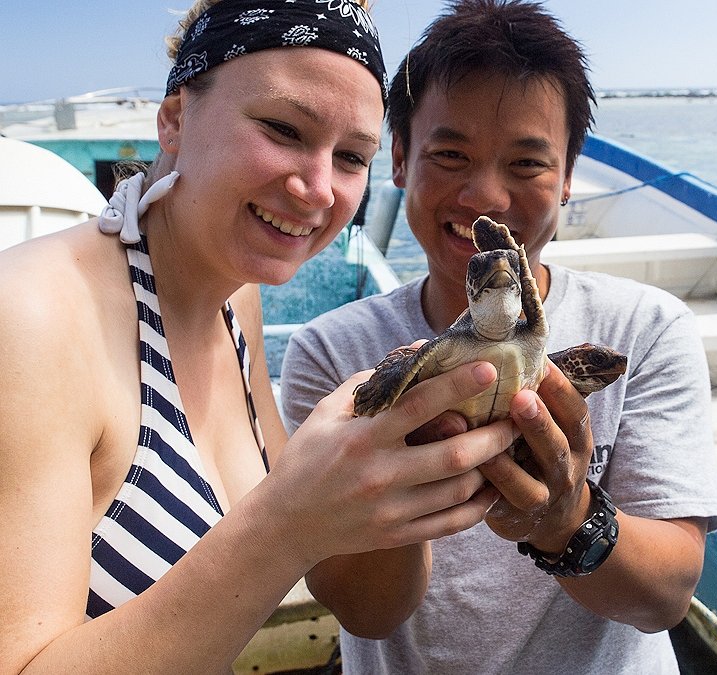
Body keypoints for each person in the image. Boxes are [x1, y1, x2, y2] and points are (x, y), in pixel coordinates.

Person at [0, 2, 525, 672]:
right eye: (283, 128)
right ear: (175, 117)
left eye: (352, 157)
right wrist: (286, 524)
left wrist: (406, 448)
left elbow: (363, 602)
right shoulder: (31, 317)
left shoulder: (232, 298)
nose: (315, 188)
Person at [280, 0, 717, 672]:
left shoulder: (646, 329)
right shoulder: (334, 354)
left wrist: (570, 519)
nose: (485, 196)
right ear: (399, 158)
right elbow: (363, 610)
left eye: (526, 165)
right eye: (451, 154)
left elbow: (666, 595)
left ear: (569, 177)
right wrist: (395, 463)